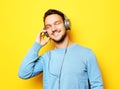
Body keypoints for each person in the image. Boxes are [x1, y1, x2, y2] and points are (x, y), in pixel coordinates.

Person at [18, 9, 103, 89]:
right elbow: (23, 73)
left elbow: (97, 86)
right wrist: (37, 45)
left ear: (66, 24)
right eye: (48, 26)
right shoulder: (46, 58)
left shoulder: (87, 54)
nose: (53, 29)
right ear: (46, 32)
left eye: (57, 23)